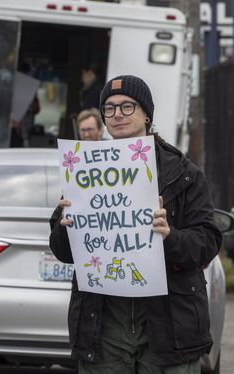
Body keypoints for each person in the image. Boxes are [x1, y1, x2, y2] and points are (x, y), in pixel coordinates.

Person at [49, 75, 222, 373]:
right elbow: (63, 251)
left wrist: (170, 237)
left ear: (146, 114)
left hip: (167, 323)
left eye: (127, 106)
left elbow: (207, 241)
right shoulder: (85, 169)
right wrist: (66, 228)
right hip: (104, 323)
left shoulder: (184, 173)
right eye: (109, 108)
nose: (117, 115)